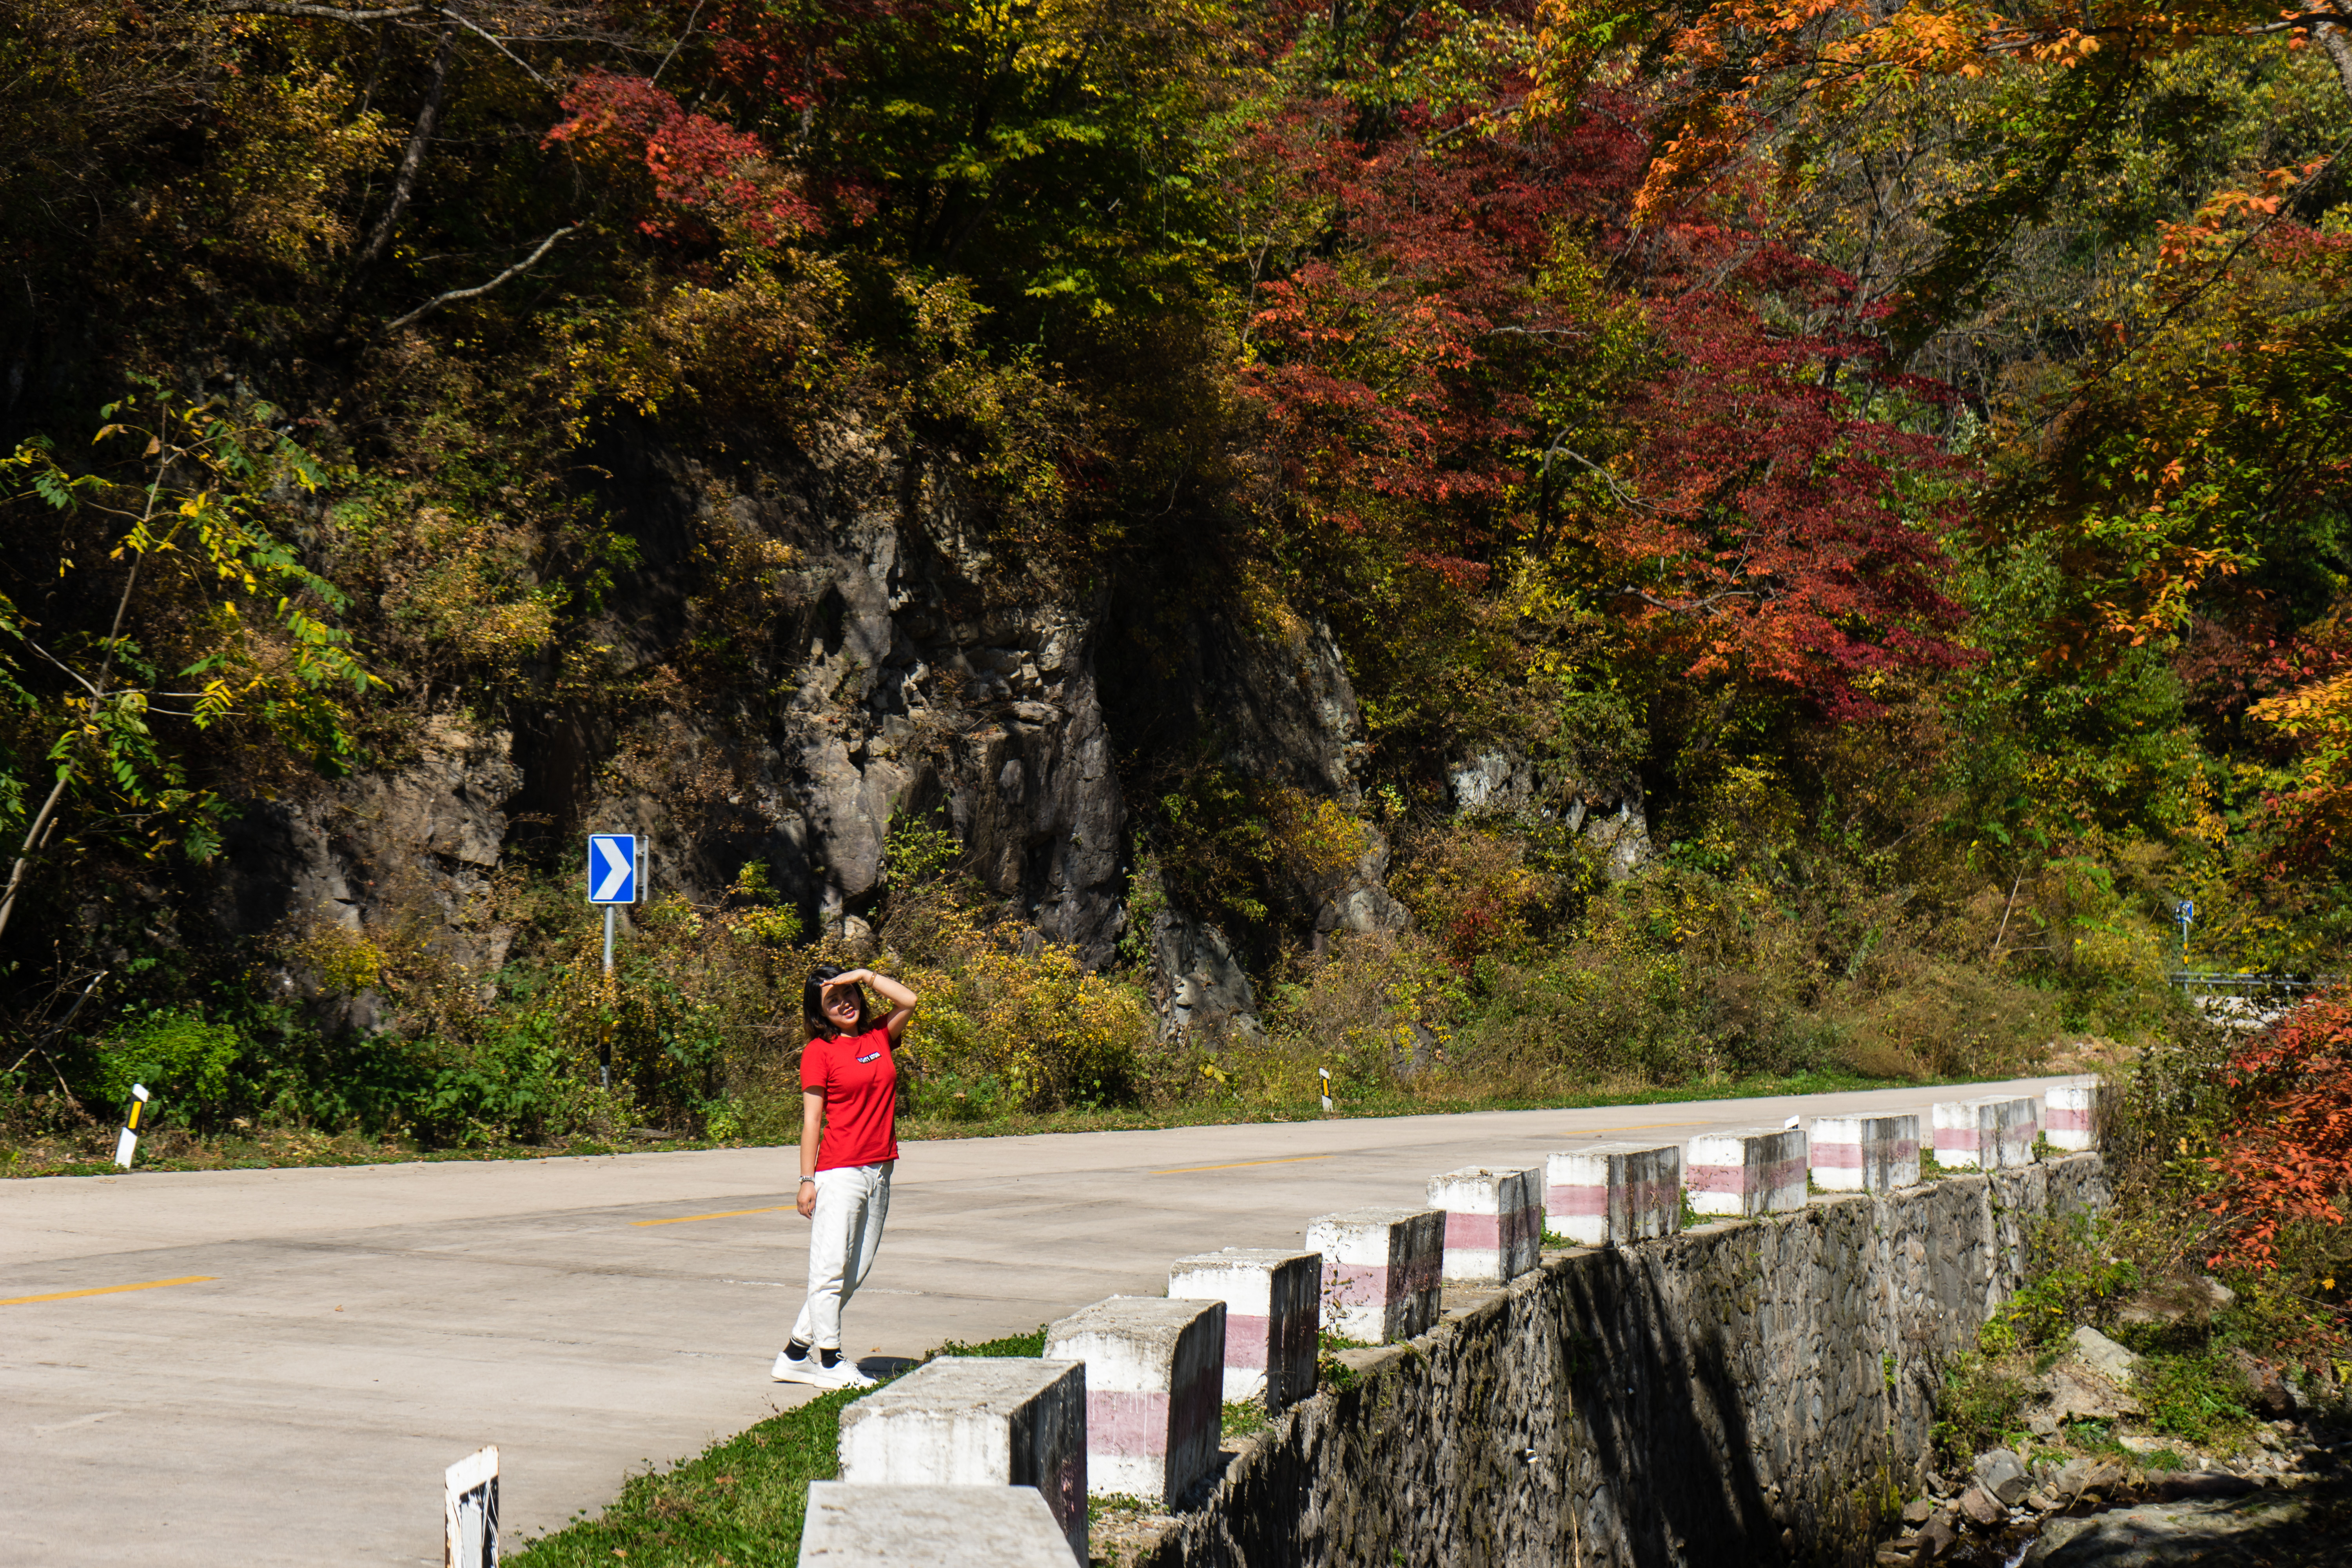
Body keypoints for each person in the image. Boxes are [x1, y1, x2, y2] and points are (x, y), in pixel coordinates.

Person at [773, 963, 918, 1388]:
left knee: (854, 1270)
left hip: (880, 1169)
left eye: (848, 994)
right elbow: (811, 1120)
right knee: (829, 1268)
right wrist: (806, 1179)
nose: (844, 1004)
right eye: (832, 1001)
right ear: (821, 1014)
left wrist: (864, 974)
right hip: (840, 1171)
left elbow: (909, 1000)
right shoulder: (819, 1052)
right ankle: (830, 1361)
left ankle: (795, 1354)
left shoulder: (879, 1036)